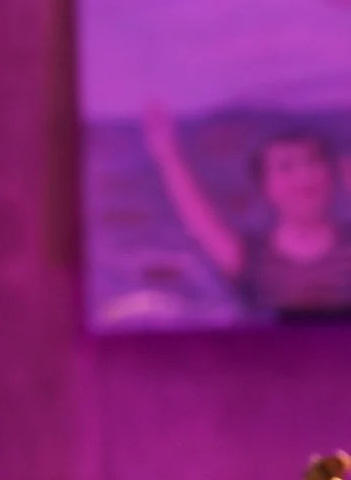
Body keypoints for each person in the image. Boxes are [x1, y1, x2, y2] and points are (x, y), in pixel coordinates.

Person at [142, 99, 351, 320]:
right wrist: (168, 155)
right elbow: (198, 218)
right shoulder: (250, 258)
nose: (304, 177)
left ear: (332, 175)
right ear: (265, 186)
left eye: (313, 162)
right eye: (286, 167)